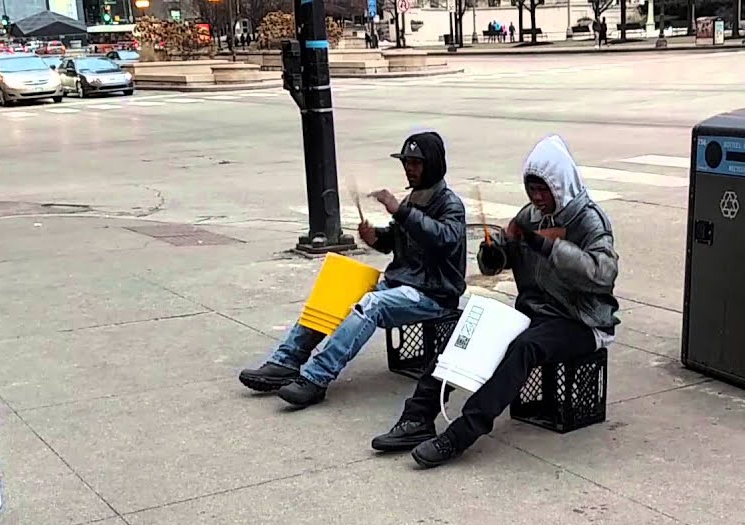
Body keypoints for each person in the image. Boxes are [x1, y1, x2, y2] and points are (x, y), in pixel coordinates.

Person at [371, 135, 619, 468]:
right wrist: (494, 253)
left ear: (560, 184)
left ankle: (460, 434)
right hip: (536, 314)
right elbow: (499, 259)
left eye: (544, 190)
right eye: (532, 190)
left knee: (525, 348)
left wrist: (548, 246)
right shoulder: (529, 216)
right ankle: (417, 417)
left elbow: (603, 273)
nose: (538, 198)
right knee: (466, 327)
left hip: (581, 321)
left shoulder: (589, 219)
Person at [238, 132, 467, 409]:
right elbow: (395, 241)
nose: (409, 168)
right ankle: (286, 361)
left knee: (372, 304)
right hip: (402, 285)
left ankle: (317, 377)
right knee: (336, 291)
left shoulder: (449, 204)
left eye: (416, 163)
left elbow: (445, 239)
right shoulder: (413, 200)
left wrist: (400, 211)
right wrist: (375, 237)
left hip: (433, 294)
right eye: (406, 162)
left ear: (432, 164)